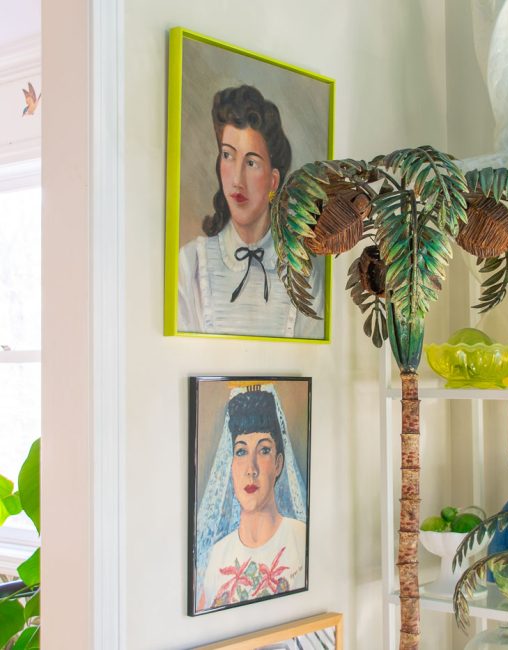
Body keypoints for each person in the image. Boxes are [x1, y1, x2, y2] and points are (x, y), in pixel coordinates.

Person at [178, 85, 325, 338]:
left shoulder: (303, 274)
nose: (237, 179)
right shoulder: (191, 263)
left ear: (273, 180)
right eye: (228, 155)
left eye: (251, 162)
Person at [197, 384, 307, 611]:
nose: (251, 468)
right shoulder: (217, 556)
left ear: (278, 463)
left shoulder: (300, 538)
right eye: (241, 451)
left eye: (264, 450)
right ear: (230, 466)